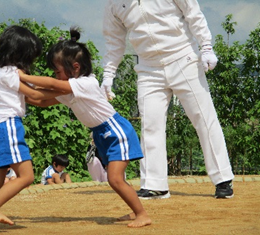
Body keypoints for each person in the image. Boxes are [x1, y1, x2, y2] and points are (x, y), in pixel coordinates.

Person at [101, 0, 234, 199]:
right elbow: (114, 41)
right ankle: (155, 184)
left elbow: (193, 13)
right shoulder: (113, 4)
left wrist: (206, 46)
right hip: (148, 68)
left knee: (204, 118)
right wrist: (108, 75)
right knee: (150, 126)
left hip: (183, 57)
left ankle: (223, 178)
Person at [19, 27, 151, 228]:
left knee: (114, 179)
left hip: (116, 131)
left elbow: (51, 85)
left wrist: (24, 77)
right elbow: (41, 99)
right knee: (116, 179)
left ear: (76, 67)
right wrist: (18, 89)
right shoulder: (71, 90)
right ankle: (136, 211)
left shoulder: (86, 83)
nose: (55, 75)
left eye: (57, 71)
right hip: (102, 134)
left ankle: (142, 214)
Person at [0, 25, 63, 229]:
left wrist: (66, 98)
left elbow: (37, 97)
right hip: (7, 127)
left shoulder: (0, 73)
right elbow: (36, 95)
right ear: (20, 53)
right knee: (27, 176)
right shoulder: (10, 72)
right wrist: (67, 92)